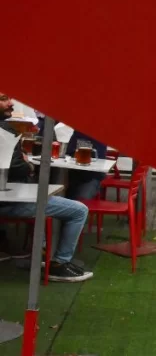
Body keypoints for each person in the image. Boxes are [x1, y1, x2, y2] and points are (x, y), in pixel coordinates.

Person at [0, 93, 93, 282]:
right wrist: (28, 165)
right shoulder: (4, 131)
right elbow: (16, 167)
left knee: (44, 204)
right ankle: (59, 264)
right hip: (10, 201)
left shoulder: (6, 128)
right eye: (3, 99)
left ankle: (43, 257)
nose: (11, 103)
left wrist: (25, 162)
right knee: (79, 210)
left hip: (13, 196)